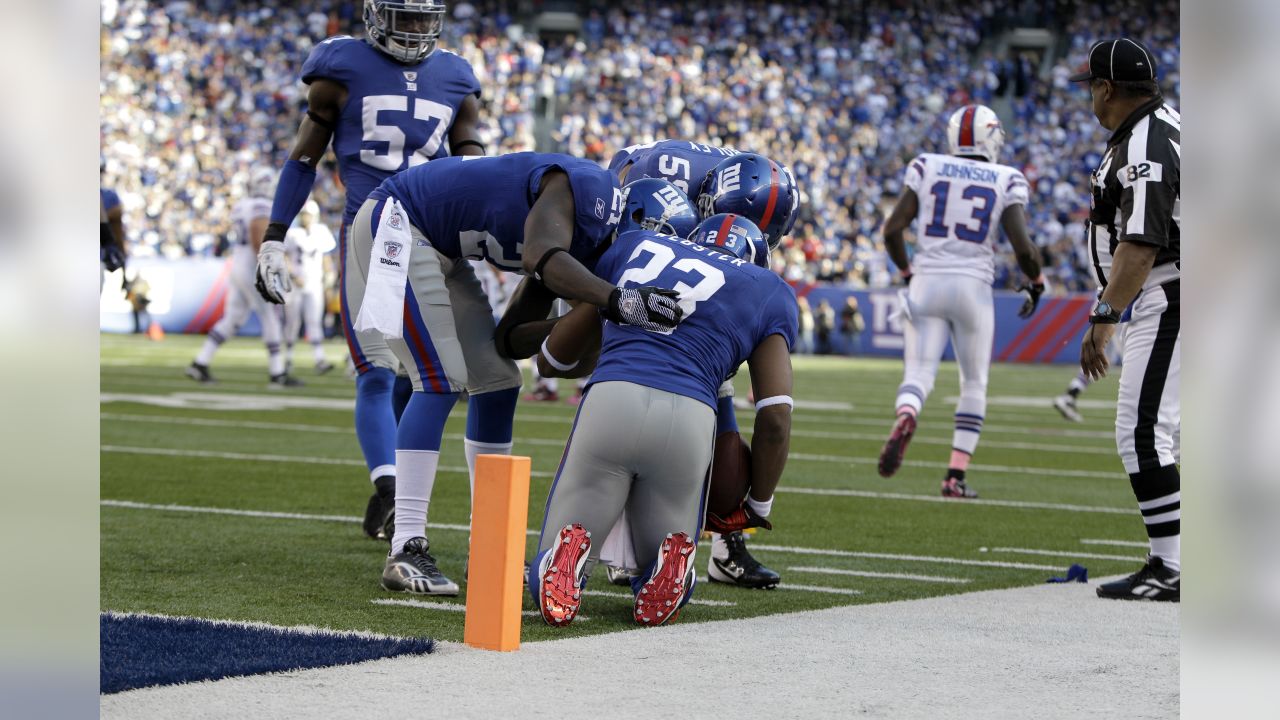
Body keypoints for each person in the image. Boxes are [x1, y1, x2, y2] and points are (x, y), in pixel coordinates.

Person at [346, 152, 684, 596]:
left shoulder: (588, 254)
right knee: (439, 378)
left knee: (500, 381)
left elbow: (513, 341)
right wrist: (615, 300)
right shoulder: (589, 191)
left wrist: (596, 318)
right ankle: (405, 545)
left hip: (439, 246)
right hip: (398, 222)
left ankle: (489, 547)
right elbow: (541, 255)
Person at [254, 0, 486, 541]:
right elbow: (303, 160)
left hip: (434, 235)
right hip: (369, 230)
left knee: (426, 375)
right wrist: (273, 238)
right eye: (401, 18)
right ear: (374, 16)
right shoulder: (340, 67)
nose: (412, 31)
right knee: (378, 370)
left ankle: (390, 478)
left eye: (421, 19)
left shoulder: (456, 76)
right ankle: (390, 490)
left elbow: (471, 159)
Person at [528, 210, 796, 626]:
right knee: (665, 561)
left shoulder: (635, 245)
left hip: (613, 401)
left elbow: (554, 357)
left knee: (549, 557)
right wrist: (757, 503)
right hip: (691, 419)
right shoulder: (766, 288)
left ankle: (568, 553)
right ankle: (664, 564)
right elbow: (775, 417)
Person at [611, 148, 802, 590]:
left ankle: (724, 546)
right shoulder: (664, 188)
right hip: (632, 290)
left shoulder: (750, 195)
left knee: (710, 383)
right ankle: (622, 546)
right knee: (630, 388)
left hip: (692, 307)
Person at [879, 104, 1046, 499]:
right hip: (973, 286)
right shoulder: (1006, 177)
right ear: (992, 137)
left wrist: (908, 274)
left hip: (927, 281)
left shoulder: (926, 165)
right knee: (973, 383)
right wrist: (1036, 280)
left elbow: (892, 230)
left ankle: (907, 414)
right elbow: (1022, 247)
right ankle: (955, 476)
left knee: (918, 373)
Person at [1071, 38, 1181, 601]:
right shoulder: (1162, 125)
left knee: (1142, 432)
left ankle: (1170, 565)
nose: (1089, 95)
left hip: (1174, 294)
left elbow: (1141, 244)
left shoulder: (1147, 143)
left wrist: (1105, 313)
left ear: (1107, 88)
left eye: (1091, 84)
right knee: (1169, 434)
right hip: (1178, 292)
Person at [187, 168, 303, 388]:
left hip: (238, 264)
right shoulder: (260, 206)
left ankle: (200, 363)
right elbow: (257, 232)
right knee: (270, 315)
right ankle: (277, 373)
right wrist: (265, 265)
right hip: (252, 266)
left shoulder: (242, 205)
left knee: (233, 318)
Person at [283, 200, 337, 375]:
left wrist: (328, 274)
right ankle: (288, 358)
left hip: (314, 282)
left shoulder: (321, 231)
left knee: (314, 321)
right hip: (295, 283)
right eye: (303, 214)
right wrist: (292, 275)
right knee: (293, 323)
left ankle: (319, 359)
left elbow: (326, 256)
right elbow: (285, 256)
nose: (305, 218)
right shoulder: (293, 233)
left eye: (308, 215)